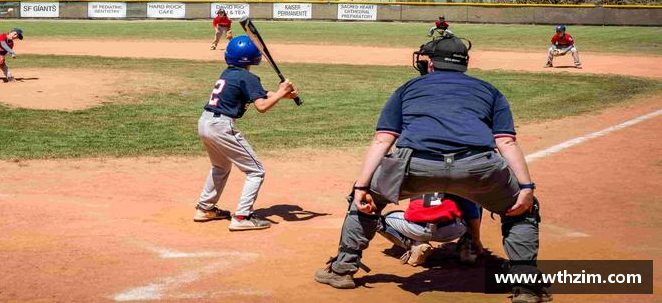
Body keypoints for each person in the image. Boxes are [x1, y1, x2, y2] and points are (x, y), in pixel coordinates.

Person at [314, 36, 545, 303]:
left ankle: (343, 269)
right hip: (477, 166)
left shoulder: (408, 88)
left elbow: (383, 139)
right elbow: (505, 141)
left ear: (431, 65)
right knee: (523, 209)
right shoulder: (489, 90)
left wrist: (362, 186)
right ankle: (526, 287)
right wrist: (526, 188)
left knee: (366, 202)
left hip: (416, 165)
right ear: (465, 64)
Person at [194, 35, 298, 231]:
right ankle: (242, 217)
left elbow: (257, 92)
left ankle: (204, 208)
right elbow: (262, 106)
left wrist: (280, 94)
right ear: (253, 57)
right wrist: (280, 93)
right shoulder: (248, 77)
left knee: (220, 166)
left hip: (205, 122)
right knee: (256, 171)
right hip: (221, 127)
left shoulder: (229, 73)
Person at [378, 193, 481, 267]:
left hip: (417, 229)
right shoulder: (456, 174)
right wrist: (476, 239)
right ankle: (468, 247)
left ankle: (413, 244)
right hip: (452, 230)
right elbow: (472, 212)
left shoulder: (414, 171)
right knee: (475, 195)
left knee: (379, 220)